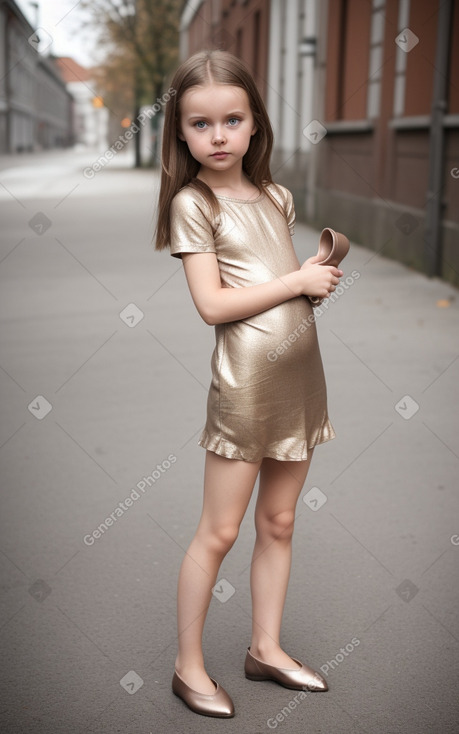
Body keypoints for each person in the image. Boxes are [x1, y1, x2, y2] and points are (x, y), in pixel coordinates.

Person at [154, 49, 343, 719]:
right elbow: (213, 304)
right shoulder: (191, 204)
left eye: (232, 120)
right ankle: (188, 666)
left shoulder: (276, 197)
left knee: (280, 522)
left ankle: (264, 648)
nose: (218, 136)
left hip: (297, 379)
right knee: (220, 530)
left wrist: (311, 282)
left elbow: (268, 290)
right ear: (180, 131)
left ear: (254, 124)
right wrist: (294, 282)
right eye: (200, 124)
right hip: (243, 388)